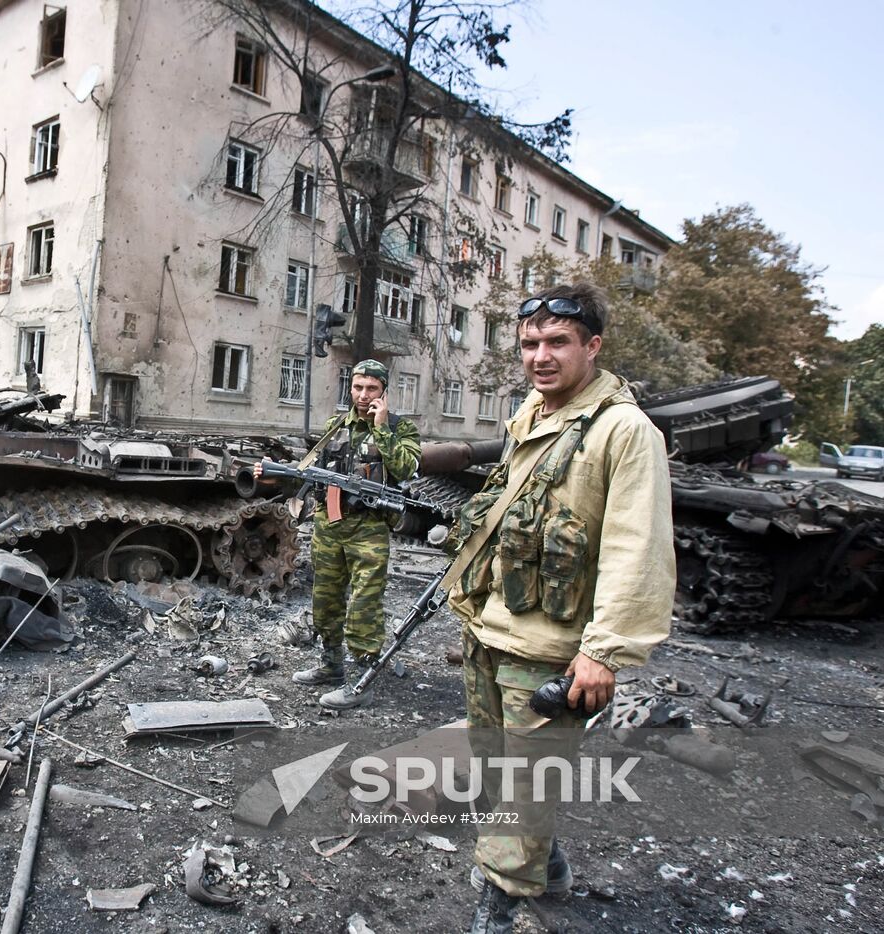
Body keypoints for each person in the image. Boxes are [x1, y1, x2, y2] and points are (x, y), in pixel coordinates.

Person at [442, 284, 675, 934]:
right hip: (492, 630)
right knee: (496, 772)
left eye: (557, 343)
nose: (540, 357)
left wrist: (604, 652)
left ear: (593, 346)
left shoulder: (625, 432)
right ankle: (546, 866)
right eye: (530, 344)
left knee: (524, 792)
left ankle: (500, 907)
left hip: (550, 651)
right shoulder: (535, 413)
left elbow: (640, 548)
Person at [256, 359, 420, 709]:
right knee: (325, 600)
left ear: (383, 392)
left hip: (370, 531)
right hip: (330, 527)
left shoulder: (399, 428)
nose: (363, 395)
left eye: (371, 389)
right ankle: (331, 666)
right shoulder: (336, 427)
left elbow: (406, 468)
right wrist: (274, 475)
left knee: (364, 606)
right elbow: (311, 473)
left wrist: (382, 429)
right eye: (358, 387)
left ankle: (361, 680)